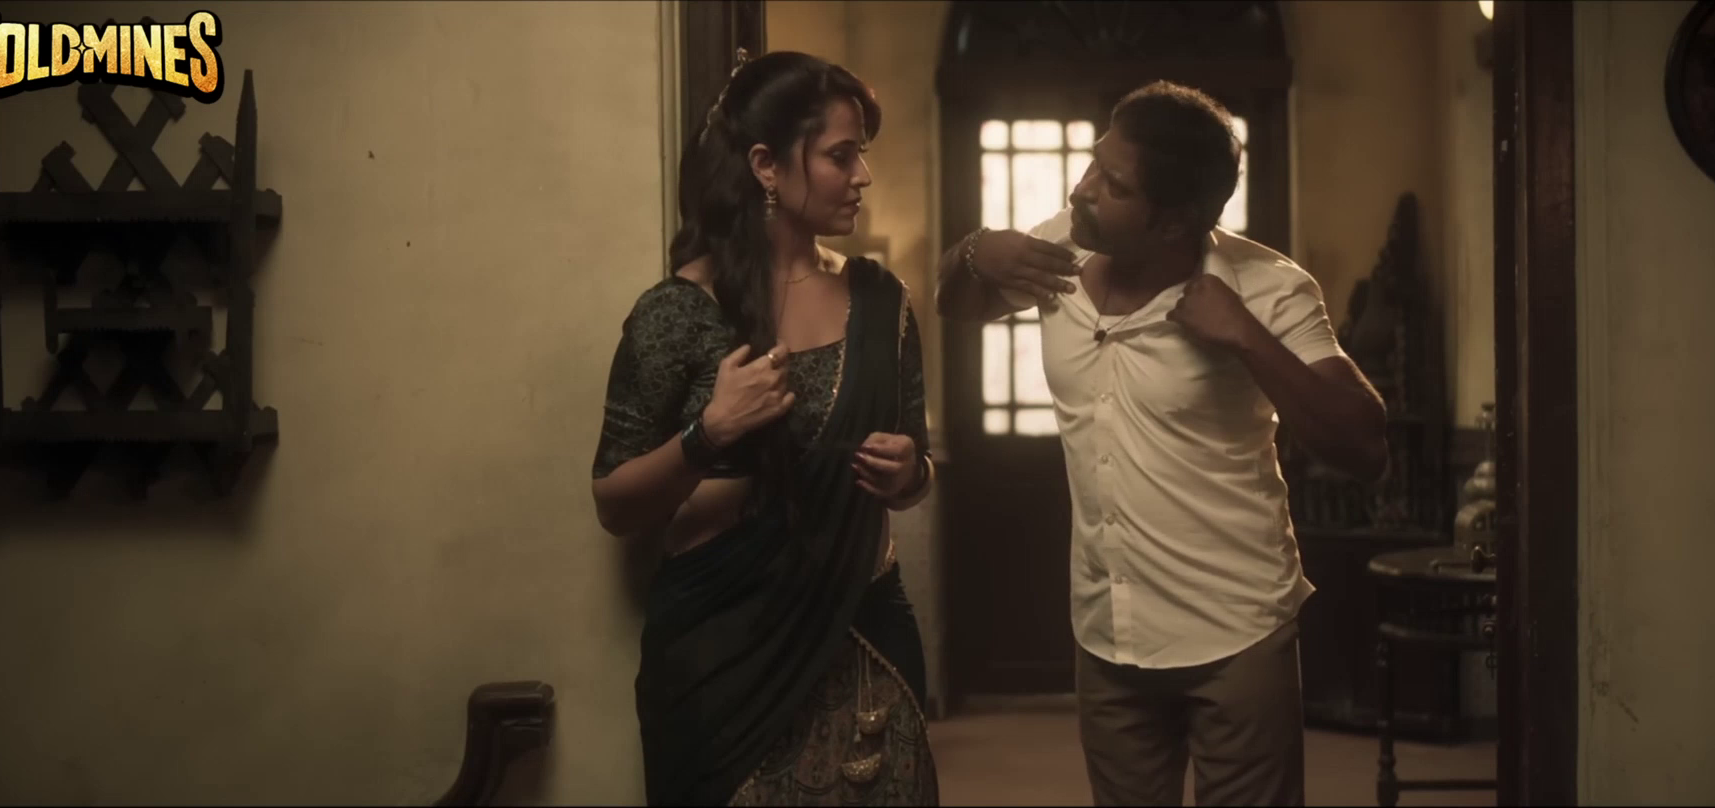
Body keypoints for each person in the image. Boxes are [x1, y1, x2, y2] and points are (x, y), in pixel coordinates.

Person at [936, 81, 1389, 807]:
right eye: (1094, 163)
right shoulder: (1060, 250)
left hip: (1236, 630)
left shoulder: (1269, 289)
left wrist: (1247, 338)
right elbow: (955, 303)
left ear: (1175, 221)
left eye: (1113, 185)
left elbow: (1365, 446)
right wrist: (971, 253)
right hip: (1107, 629)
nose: (1082, 189)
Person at [590, 50, 939, 807]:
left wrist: (910, 471)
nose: (863, 176)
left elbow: (917, 467)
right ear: (766, 166)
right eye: (840, 156)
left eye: (863, 155)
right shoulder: (677, 313)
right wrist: (709, 435)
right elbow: (614, 505)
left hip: (863, 630)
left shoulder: (882, 301)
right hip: (722, 655)